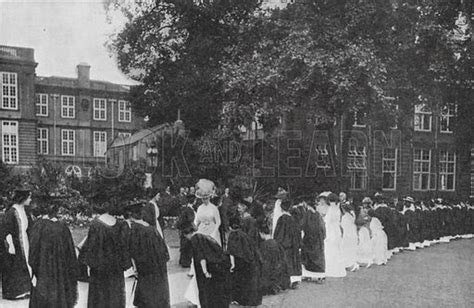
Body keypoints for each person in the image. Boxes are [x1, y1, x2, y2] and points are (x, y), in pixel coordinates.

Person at [79, 201, 131, 308]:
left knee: (100, 299)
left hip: (100, 269)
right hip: (116, 269)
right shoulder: (120, 224)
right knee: (115, 297)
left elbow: (90, 247)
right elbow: (124, 247)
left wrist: (85, 264)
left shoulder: (96, 225)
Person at [28, 198, 78, 308]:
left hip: (43, 273)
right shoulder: (63, 227)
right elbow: (71, 255)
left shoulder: (39, 226)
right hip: (61, 275)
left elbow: (33, 253)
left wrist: (34, 270)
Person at [127, 201, 170, 308]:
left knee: (146, 297)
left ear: (131, 216)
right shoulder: (152, 230)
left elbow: (133, 252)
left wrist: (135, 269)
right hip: (159, 269)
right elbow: (165, 253)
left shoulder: (135, 230)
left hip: (145, 270)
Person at [184, 226, 231, 308]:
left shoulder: (195, 239)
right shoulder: (204, 236)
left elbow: (201, 257)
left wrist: (205, 271)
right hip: (217, 265)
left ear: (188, 234)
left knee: (205, 290)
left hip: (207, 267)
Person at [2, 187, 33, 300]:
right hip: (14, 244)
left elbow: (29, 227)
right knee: (16, 266)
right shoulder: (11, 212)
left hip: (24, 241)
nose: (30, 200)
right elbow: (5, 230)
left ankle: (25, 289)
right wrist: (10, 244)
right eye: (29, 197)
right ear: (23, 198)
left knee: (25, 264)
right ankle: (14, 292)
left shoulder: (25, 210)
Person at [227, 216, 262, 306]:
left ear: (230, 227)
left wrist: (232, 265)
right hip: (249, 262)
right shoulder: (245, 235)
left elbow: (232, 252)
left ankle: (238, 299)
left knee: (238, 280)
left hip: (240, 262)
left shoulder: (232, 235)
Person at [274, 199, 302, 288]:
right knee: (293, 262)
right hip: (293, 244)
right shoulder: (293, 218)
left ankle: (286, 282)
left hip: (285, 244)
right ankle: (294, 281)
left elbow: (279, 233)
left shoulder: (282, 219)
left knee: (286, 263)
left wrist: (278, 242)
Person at [257, 222, 290, 295]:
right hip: (278, 270)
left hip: (268, 271)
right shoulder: (277, 244)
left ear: (261, 233)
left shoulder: (263, 246)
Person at [301, 195, 326, 282]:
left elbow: (303, 225)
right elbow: (322, 227)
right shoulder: (317, 214)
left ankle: (308, 274)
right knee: (318, 256)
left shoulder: (307, 214)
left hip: (309, 238)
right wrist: (322, 236)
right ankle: (320, 275)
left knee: (307, 256)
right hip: (317, 239)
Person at [322, 192, 346, 278]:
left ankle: (330, 269)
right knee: (336, 249)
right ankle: (337, 268)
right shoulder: (337, 209)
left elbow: (327, 222)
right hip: (336, 230)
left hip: (330, 230)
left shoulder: (329, 209)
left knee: (329, 249)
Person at [194, 179, 221, 245]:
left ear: (209, 198)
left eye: (206, 198)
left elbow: (218, 222)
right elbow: (197, 221)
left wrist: (214, 232)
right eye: (203, 198)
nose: (204, 200)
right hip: (202, 229)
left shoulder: (213, 208)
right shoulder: (200, 208)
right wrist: (195, 229)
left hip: (211, 229)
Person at [176, 195, 196, 268]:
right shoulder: (189, 210)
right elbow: (191, 220)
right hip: (187, 230)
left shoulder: (185, 209)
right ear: (194, 201)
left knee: (184, 246)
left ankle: (183, 261)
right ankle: (186, 262)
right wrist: (195, 227)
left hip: (184, 229)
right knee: (187, 246)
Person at [340, 201, 359, 271]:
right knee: (351, 249)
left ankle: (348, 264)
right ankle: (352, 263)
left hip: (347, 234)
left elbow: (343, 226)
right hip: (352, 233)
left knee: (346, 249)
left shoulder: (345, 217)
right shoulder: (352, 216)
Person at [356, 197, 374, 267]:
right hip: (361, 228)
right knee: (361, 243)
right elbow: (359, 219)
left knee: (366, 243)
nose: (364, 205)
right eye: (364, 203)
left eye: (366, 204)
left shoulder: (371, 210)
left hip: (367, 227)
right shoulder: (361, 210)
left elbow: (370, 219)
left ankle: (367, 259)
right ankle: (361, 259)